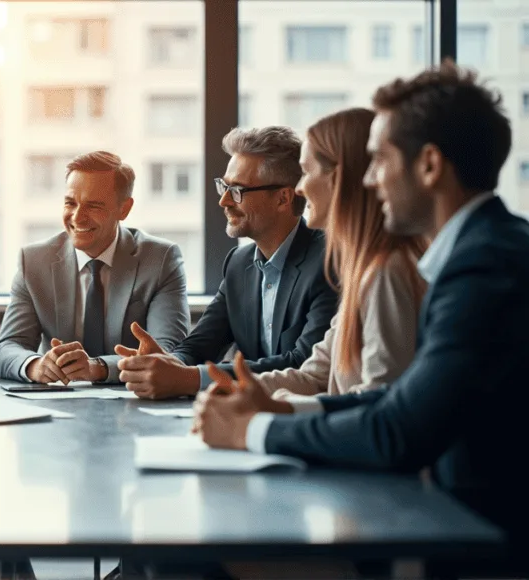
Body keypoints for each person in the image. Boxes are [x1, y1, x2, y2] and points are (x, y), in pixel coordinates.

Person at [194, 62, 528, 576]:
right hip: (443, 518)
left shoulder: (484, 267)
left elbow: (400, 428)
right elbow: (399, 398)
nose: (370, 180)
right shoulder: (478, 253)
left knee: (206, 555)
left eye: (378, 161)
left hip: (464, 538)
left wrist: (255, 430)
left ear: (430, 166)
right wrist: (279, 413)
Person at [116, 126, 337, 400]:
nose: (223, 201)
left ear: (283, 198)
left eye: (237, 191)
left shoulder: (330, 260)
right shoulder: (239, 262)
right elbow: (202, 342)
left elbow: (304, 365)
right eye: (224, 186)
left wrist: (190, 378)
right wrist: (171, 361)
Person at [250, 108, 426, 399]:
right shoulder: (364, 270)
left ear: (339, 178)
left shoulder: (387, 272)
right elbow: (315, 376)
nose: (298, 188)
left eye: (306, 172)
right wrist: (228, 388)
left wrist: (283, 408)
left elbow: (379, 399)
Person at [0, 151, 189, 385]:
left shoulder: (160, 260)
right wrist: (35, 365)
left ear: (124, 209)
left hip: (135, 400)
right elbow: (6, 348)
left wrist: (98, 368)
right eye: (70, 203)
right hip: (59, 404)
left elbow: (169, 353)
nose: (77, 217)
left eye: (93, 206)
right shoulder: (34, 261)